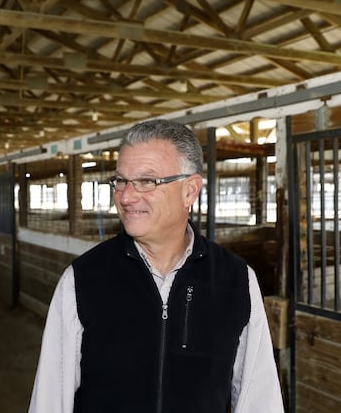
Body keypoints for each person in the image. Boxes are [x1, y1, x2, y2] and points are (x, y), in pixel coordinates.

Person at [28, 119, 283, 413]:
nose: (125, 196)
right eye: (120, 180)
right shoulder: (83, 278)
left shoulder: (236, 280)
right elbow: (50, 397)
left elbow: (258, 397)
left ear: (190, 190)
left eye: (147, 181)